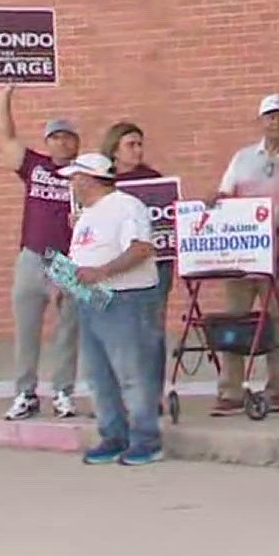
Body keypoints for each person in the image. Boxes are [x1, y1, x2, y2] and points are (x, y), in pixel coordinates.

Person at [60, 153, 165, 466]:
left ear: (91, 178)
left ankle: (146, 438)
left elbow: (141, 248)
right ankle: (113, 434)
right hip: (90, 298)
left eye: (76, 178)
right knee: (99, 373)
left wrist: (102, 271)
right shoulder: (86, 214)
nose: (73, 185)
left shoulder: (126, 205)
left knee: (132, 371)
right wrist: (67, 280)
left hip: (126, 297)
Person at [211, 94, 279, 415]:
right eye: (270, 116)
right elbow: (225, 193)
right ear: (261, 121)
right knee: (236, 316)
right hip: (242, 249)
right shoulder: (241, 157)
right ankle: (231, 390)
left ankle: (277, 389)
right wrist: (213, 201)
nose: (276, 122)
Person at [0, 87, 82, 421]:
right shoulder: (34, 165)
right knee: (26, 326)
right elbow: (5, 135)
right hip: (33, 253)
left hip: (69, 258)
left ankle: (63, 391)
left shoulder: (86, 171)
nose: (61, 143)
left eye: (67, 138)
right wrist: (4, 95)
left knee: (70, 328)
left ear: (76, 143)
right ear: (47, 142)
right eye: (55, 138)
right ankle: (25, 392)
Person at [100, 121, 175, 397]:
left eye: (140, 144)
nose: (138, 150)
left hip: (154, 265)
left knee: (151, 331)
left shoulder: (154, 178)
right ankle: (123, 393)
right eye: (131, 145)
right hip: (113, 269)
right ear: (114, 150)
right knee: (119, 332)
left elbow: (168, 220)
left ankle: (151, 395)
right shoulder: (104, 184)